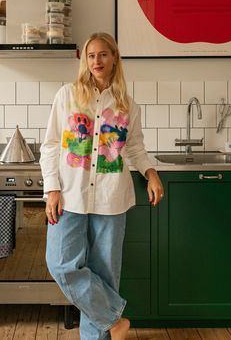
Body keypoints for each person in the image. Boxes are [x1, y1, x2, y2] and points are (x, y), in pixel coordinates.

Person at [40, 32, 164, 340]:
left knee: (106, 275)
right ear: (85, 60)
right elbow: (51, 145)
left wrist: (151, 172)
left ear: (114, 59)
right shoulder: (66, 95)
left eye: (103, 54)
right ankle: (114, 321)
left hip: (112, 198)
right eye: (91, 55)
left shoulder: (127, 106)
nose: (97, 60)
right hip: (70, 196)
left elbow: (135, 147)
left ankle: (100, 335)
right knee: (59, 264)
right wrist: (51, 189)